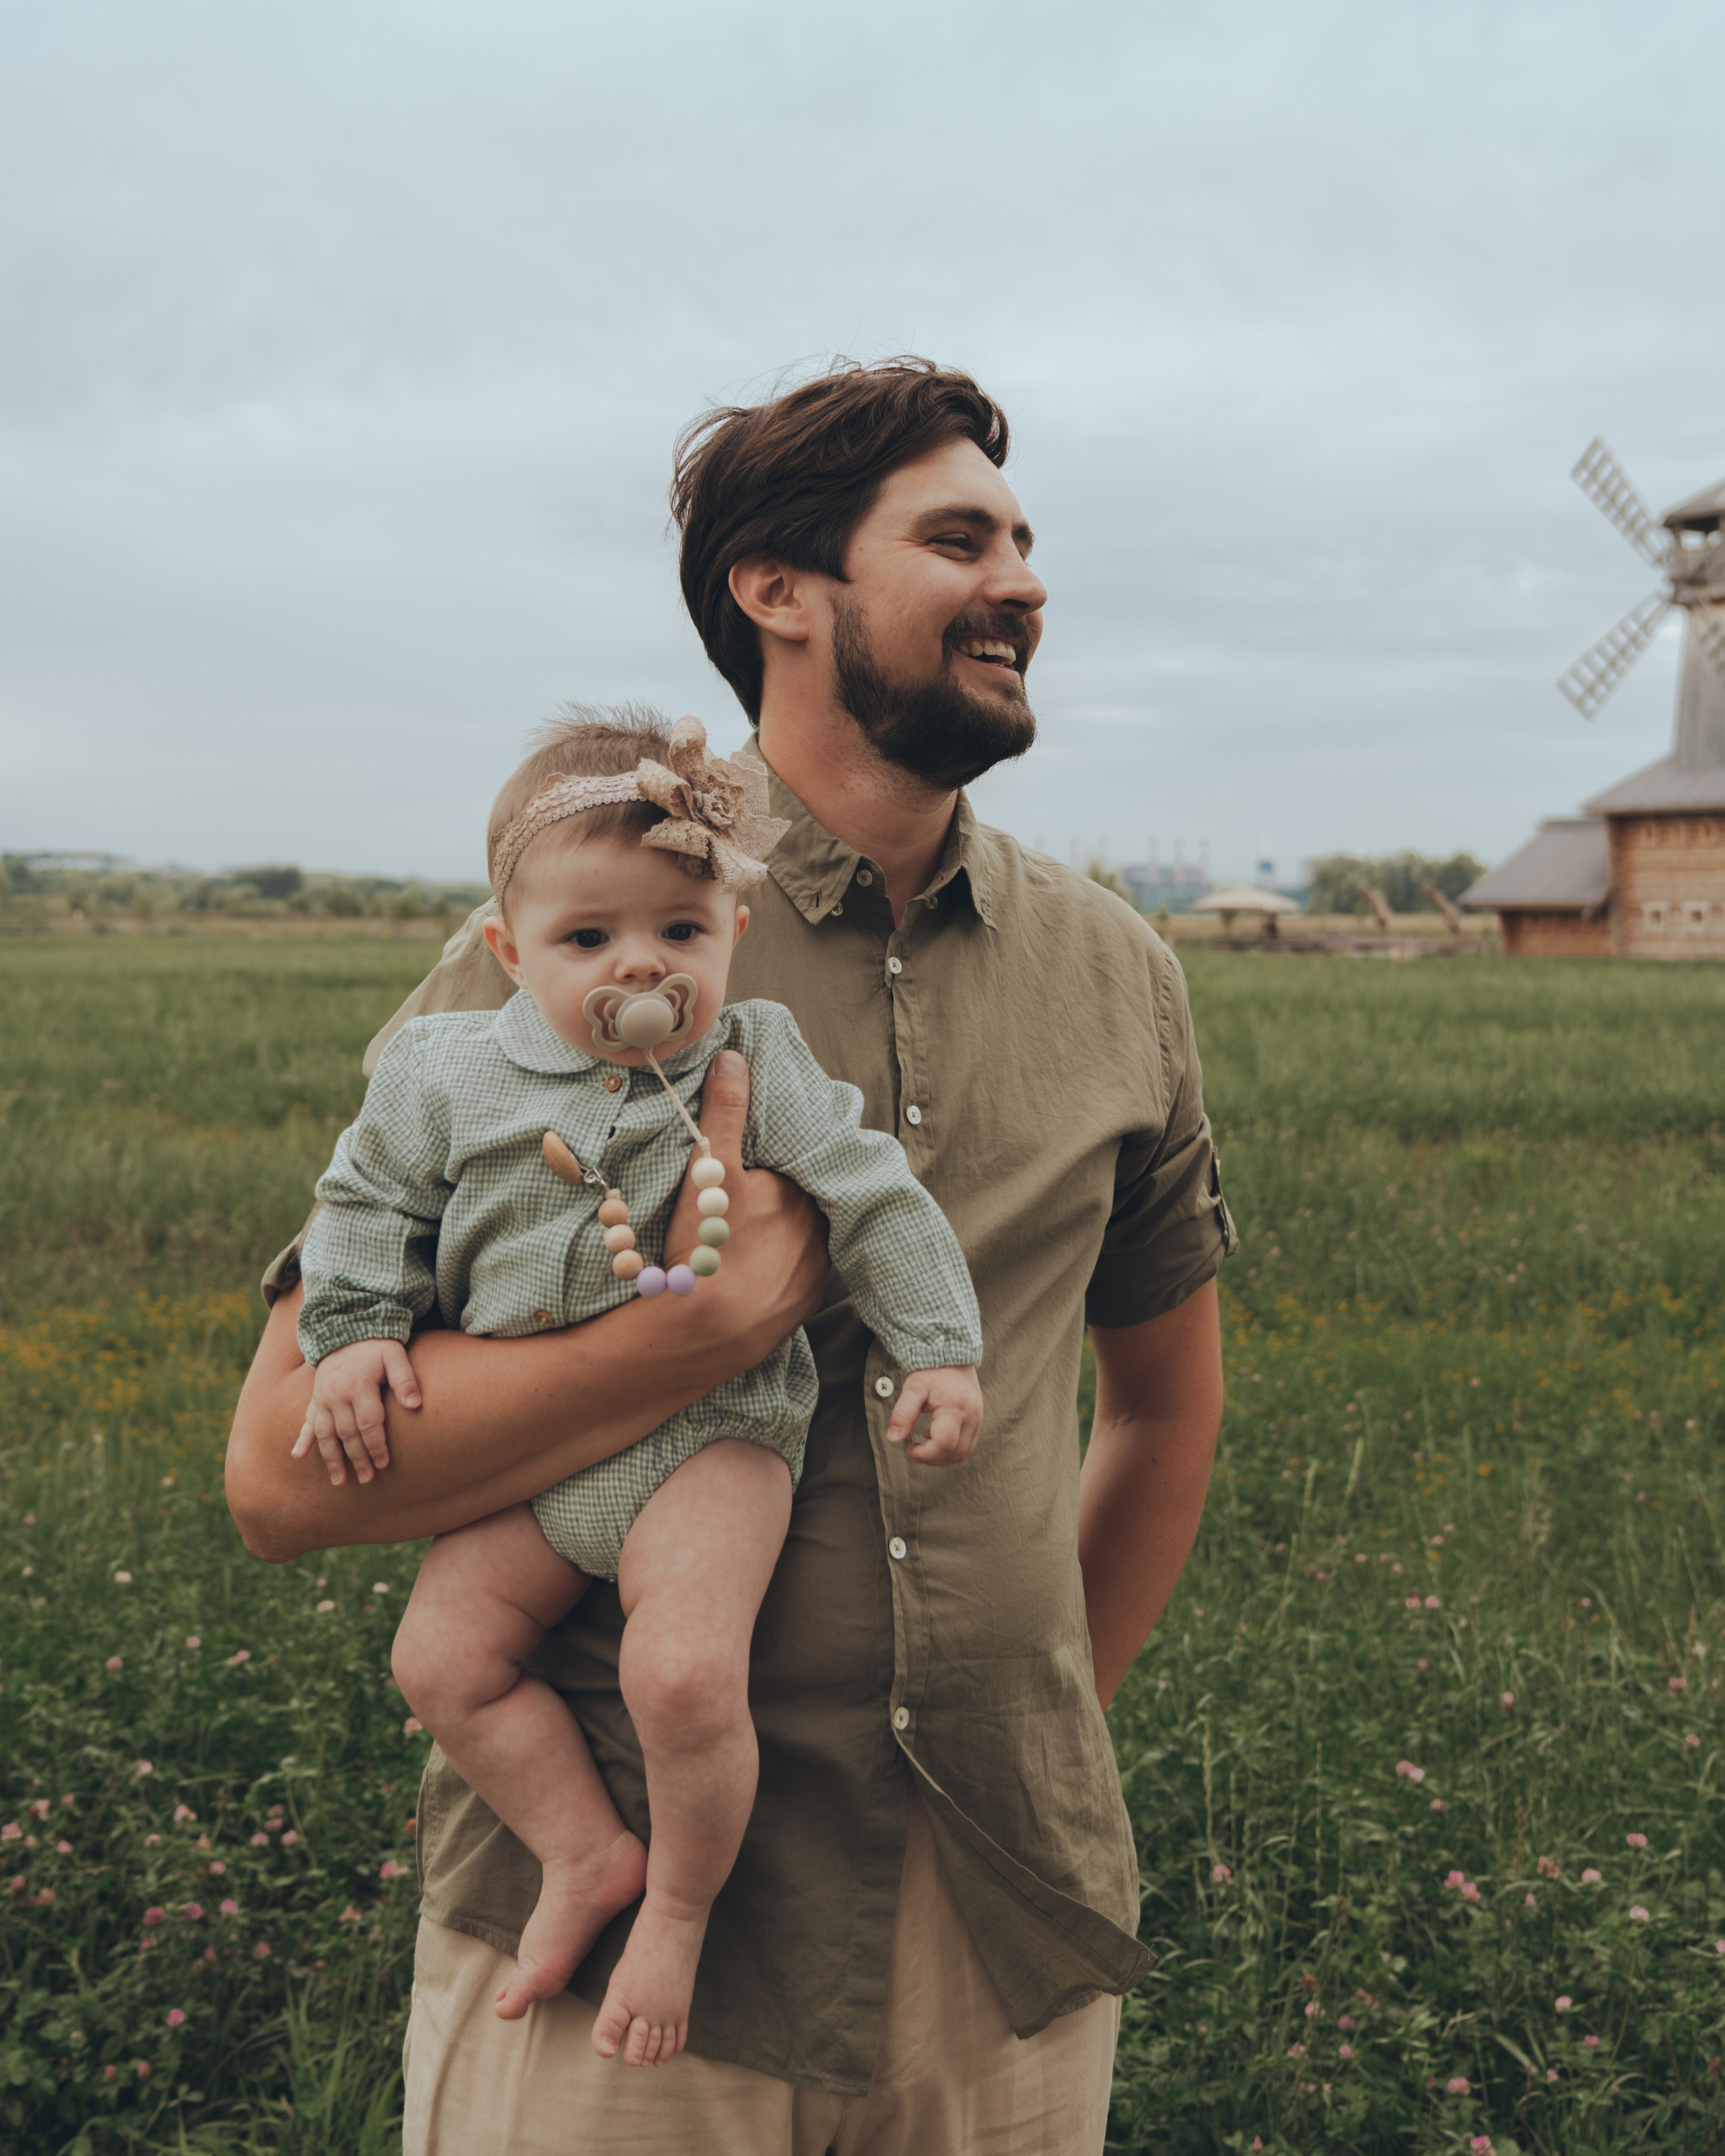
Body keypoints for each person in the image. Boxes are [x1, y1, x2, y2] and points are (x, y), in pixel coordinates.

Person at [226, 356, 1235, 2155]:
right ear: (780, 592)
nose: (1025, 579)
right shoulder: (568, 951)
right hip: (621, 1963)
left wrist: (1026, 1730)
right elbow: (278, 1477)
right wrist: (707, 1339)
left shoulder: (1119, 974)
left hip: (1001, 1946)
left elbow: (1161, 1417)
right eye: (956, 538)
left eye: (1024, 537)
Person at [290, 713, 982, 2064]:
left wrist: (938, 1347)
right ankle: (582, 1849)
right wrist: (359, 1329)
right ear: (508, 950)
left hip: (710, 1435)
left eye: (678, 930)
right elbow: (364, 1200)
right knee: (438, 1659)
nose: (639, 967)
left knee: (678, 1672)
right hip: (530, 1448)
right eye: (587, 939)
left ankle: (673, 1903)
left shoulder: (750, 1059)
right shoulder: (446, 1071)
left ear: (728, 925)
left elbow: (872, 1193)